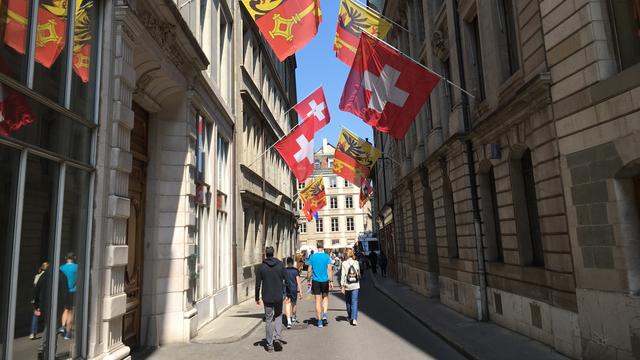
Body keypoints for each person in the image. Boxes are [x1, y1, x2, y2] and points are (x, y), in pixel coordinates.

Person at [255, 246, 287, 352]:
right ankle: (277, 338)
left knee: (268, 319)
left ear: (265, 254)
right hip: (278, 296)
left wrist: (256, 297)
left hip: (267, 296)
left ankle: (269, 345)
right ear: (273, 253)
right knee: (278, 316)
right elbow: (286, 280)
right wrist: (286, 293)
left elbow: (258, 284)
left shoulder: (261, 267)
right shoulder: (280, 265)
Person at [33, 267, 69, 360]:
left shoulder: (44, 275)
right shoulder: (62, 276)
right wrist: (66, 307)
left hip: (44, 306)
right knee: (54, 330)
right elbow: (65, 294)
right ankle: (49, 353)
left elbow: (37, 290)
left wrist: (36, 304)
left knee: (48, 326)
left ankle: (42, 350)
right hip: (57, 307)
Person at [306, 244, 332, 328]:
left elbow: (309, 270)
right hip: (325, 280)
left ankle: (320, 321)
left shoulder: (312, 257)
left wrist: (308, 279)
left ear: (317, 247)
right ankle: (324, 314)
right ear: (323, 247)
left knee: (317, 301)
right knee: (325, 297)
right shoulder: (326, 256)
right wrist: (331, 281)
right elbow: (329, 269)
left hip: (316, 280)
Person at [59, 253, 78, 340]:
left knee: (65, 309)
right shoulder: (77, 267)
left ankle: (63, 326)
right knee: (71, 311)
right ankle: (68, 332)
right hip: (73, 291)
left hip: (63, 291)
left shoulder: (61, 268)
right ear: (74, 258)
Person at [340, 248, 361, 326]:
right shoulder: (356, 262)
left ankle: (349, 317)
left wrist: (342, 286)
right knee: (354, 302)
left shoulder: (344, 263)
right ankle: (354, 319)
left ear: (346, 254)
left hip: (347, 285)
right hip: (355, 284)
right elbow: (358, 274)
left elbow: (343, 275)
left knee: (348, 301)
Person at [30, 262, 49, 339]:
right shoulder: (47, 276)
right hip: (43, 299)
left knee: (36, 315)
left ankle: (32, 333)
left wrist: (33, 299)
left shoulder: (37, 276)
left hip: (37, 299)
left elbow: (34, 289)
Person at [284, 257, 302, 328]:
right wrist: (301, 292)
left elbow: (283, 281)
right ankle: (293, 317)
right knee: (294, 304)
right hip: (294, 289)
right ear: (292, 262)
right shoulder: (295, 271)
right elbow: (298, 281)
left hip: (287, 289)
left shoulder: (284, 270)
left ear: (287, 263)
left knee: (287, 304)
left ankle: (288, 321)